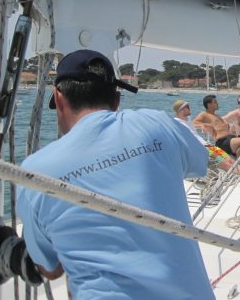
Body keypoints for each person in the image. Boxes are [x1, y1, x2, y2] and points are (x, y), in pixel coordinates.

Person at [16, 50, 214, 299]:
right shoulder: (158, 124)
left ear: (58, 97)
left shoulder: (35, 172)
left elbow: (49, 268)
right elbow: (201, 161)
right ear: (116, 99)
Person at [173, 98, 240, 173]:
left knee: (228, 158)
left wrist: (205, 125)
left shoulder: (187, 119)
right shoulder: (177, 123)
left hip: (206, 145)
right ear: (181, 110)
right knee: (223, 162)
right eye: (187, 107)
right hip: (199, 148)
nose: (190, 108)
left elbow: (195, 124)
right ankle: (238, 173)